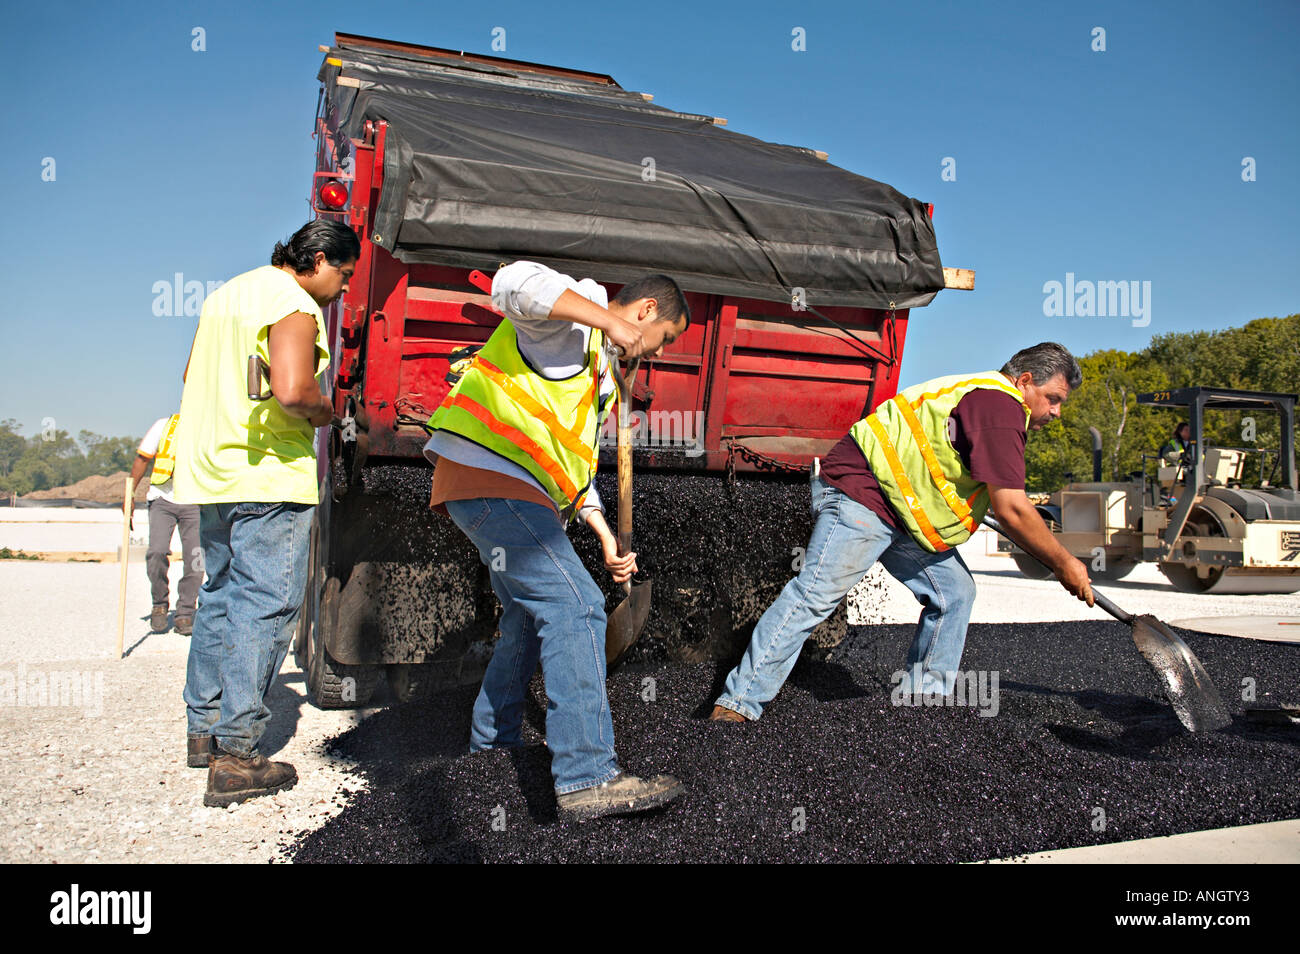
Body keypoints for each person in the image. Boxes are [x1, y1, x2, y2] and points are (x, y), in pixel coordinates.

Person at [424, 260, 689, 822]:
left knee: (524, 617)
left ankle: (489, 752)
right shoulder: (574, 321)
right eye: (663, 338)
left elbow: (571, 471)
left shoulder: (593, 374)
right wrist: (608, 323)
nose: (659, 352)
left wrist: (604, 538)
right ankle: (587, 776)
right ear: (644, 312)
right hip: (495, 481)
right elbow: (513, 284)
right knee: (578, 607)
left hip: (502, 490)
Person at [711, 342, 1095, 723]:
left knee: (955, 593)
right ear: (1025, 380)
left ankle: (921, 710)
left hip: (904, 513)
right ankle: (737, 705)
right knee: (815, 595)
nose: (1057, 412)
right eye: (1053, 398)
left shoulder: (984, 399)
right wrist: (1064, 563)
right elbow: (1012, 509)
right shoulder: (1000, 405)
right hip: (863, 494)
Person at [172, 219, 359, 805]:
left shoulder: (226, 296)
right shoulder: (291, 301)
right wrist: (327, 411)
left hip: (213, 470)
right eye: (344, 276)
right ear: (320, 259)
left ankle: (202, 730)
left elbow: (190, 377)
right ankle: (237, 755)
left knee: (222, 595)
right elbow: (293, 390)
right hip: (267, 473)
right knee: (267, 603)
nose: (344, 290)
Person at [128, 412, 201, 635]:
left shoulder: (209, 424)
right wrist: (129, 494)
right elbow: (142, 459)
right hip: (162, 500)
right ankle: (159, 604)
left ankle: (185, 613)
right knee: (157, 552)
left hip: (196, 502)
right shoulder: (164, 425)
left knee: (196, 561)